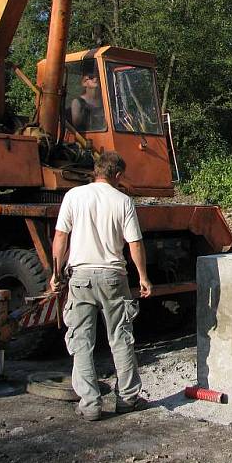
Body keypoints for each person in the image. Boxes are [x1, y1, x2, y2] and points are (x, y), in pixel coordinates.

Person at [50, 151, 153, 421]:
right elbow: (134, 243)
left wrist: (56, 272)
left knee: (81, 341)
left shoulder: (73, 196)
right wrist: (143, 276)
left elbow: (61, 236)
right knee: (120, 337)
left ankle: (90, 404)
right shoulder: (123, 201)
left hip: (80, 277)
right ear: (117, 175)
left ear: (95, 171)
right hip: (113, 277)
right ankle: (128, 399)